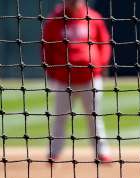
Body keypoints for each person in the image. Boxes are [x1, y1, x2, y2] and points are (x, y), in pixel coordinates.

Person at [42, 0, 114, 163]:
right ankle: (54, 152)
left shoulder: (93, 17)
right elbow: (46, 48)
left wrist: (99, 66)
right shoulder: (54, 20)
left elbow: (104, 44)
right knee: (60, 117)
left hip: (90, 78)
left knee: (94, 117)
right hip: (63, 80)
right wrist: (53, 72)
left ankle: (102, 152)